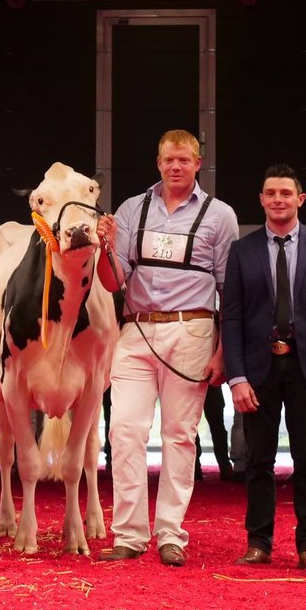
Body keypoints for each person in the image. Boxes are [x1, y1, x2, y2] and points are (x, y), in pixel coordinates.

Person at [95, 129, 239, 567]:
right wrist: (105, 247)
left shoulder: (220, 215)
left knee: (179, 434)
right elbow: (112, 281)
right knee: (125, 430)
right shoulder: (131, 209)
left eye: (184, 159)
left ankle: (171, 534)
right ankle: (129, 534)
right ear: (158, 163)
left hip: (191, 329)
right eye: (168, 159)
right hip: (137, 329)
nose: (176, 166)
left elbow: (229, 289)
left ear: (198, 164)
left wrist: (222, 351)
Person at [221, 164, 306, 570]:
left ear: (300, 199)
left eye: (286, 193)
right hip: (257, 369)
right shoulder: (242, 251)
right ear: (261, 200)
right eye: (271, 193)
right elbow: (231, 318)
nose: (278, 199)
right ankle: (258, 543)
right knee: (257, 460)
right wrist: (236, 378)